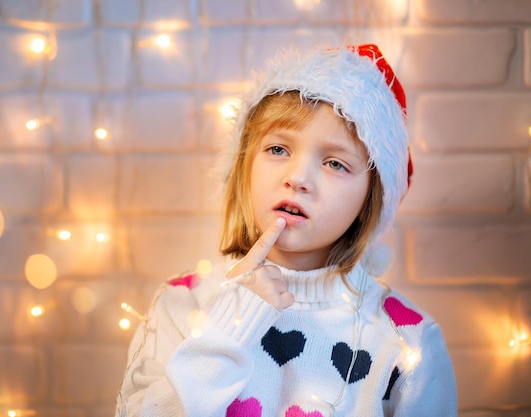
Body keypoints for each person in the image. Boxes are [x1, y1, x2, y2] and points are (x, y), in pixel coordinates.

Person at [115, 44, 457, 417]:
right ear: (245, 167)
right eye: (278, 149)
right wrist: (232, 324)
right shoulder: (183, 305)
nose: (297, 178)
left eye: (334, 163)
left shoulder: (406, 338)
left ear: (368, 201)